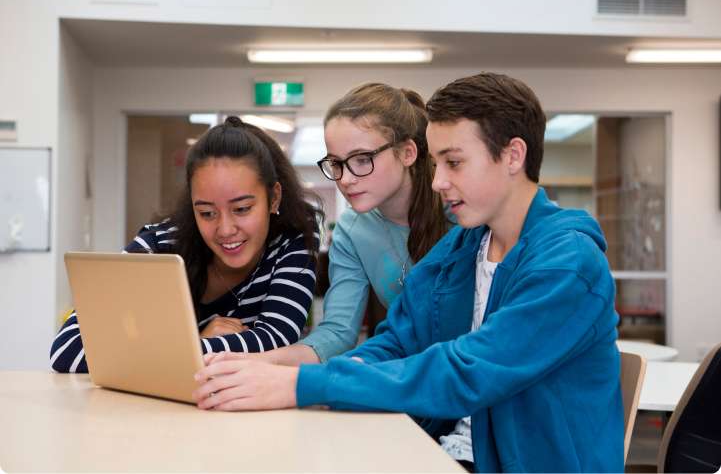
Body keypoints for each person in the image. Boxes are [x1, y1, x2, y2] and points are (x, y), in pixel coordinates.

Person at [193, 73, 624, 473]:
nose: (437, 183)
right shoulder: (465, 245)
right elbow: (398, 342)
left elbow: (466, 372)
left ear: (513, 155)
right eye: (437, 164)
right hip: (448, 451)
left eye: (454, 162)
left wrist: (301, 385)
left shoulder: (567, 263)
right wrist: (287, 379)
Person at [50, 116, 321, 373]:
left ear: (273, 198)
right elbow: (67, 350)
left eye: (242, 209)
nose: (225, 229)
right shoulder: (158, 245)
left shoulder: (292, 241)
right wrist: (195, 339)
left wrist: (158, 351)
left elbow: (276, 340)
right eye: (206, 213)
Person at [236, 82, 449, 366]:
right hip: (418, 378)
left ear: (408, 153)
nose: (345, 179)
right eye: (336, 163)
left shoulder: (459, 210)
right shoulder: (352, 228)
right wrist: (254, 364)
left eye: (362, 160)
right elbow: (337, 333)